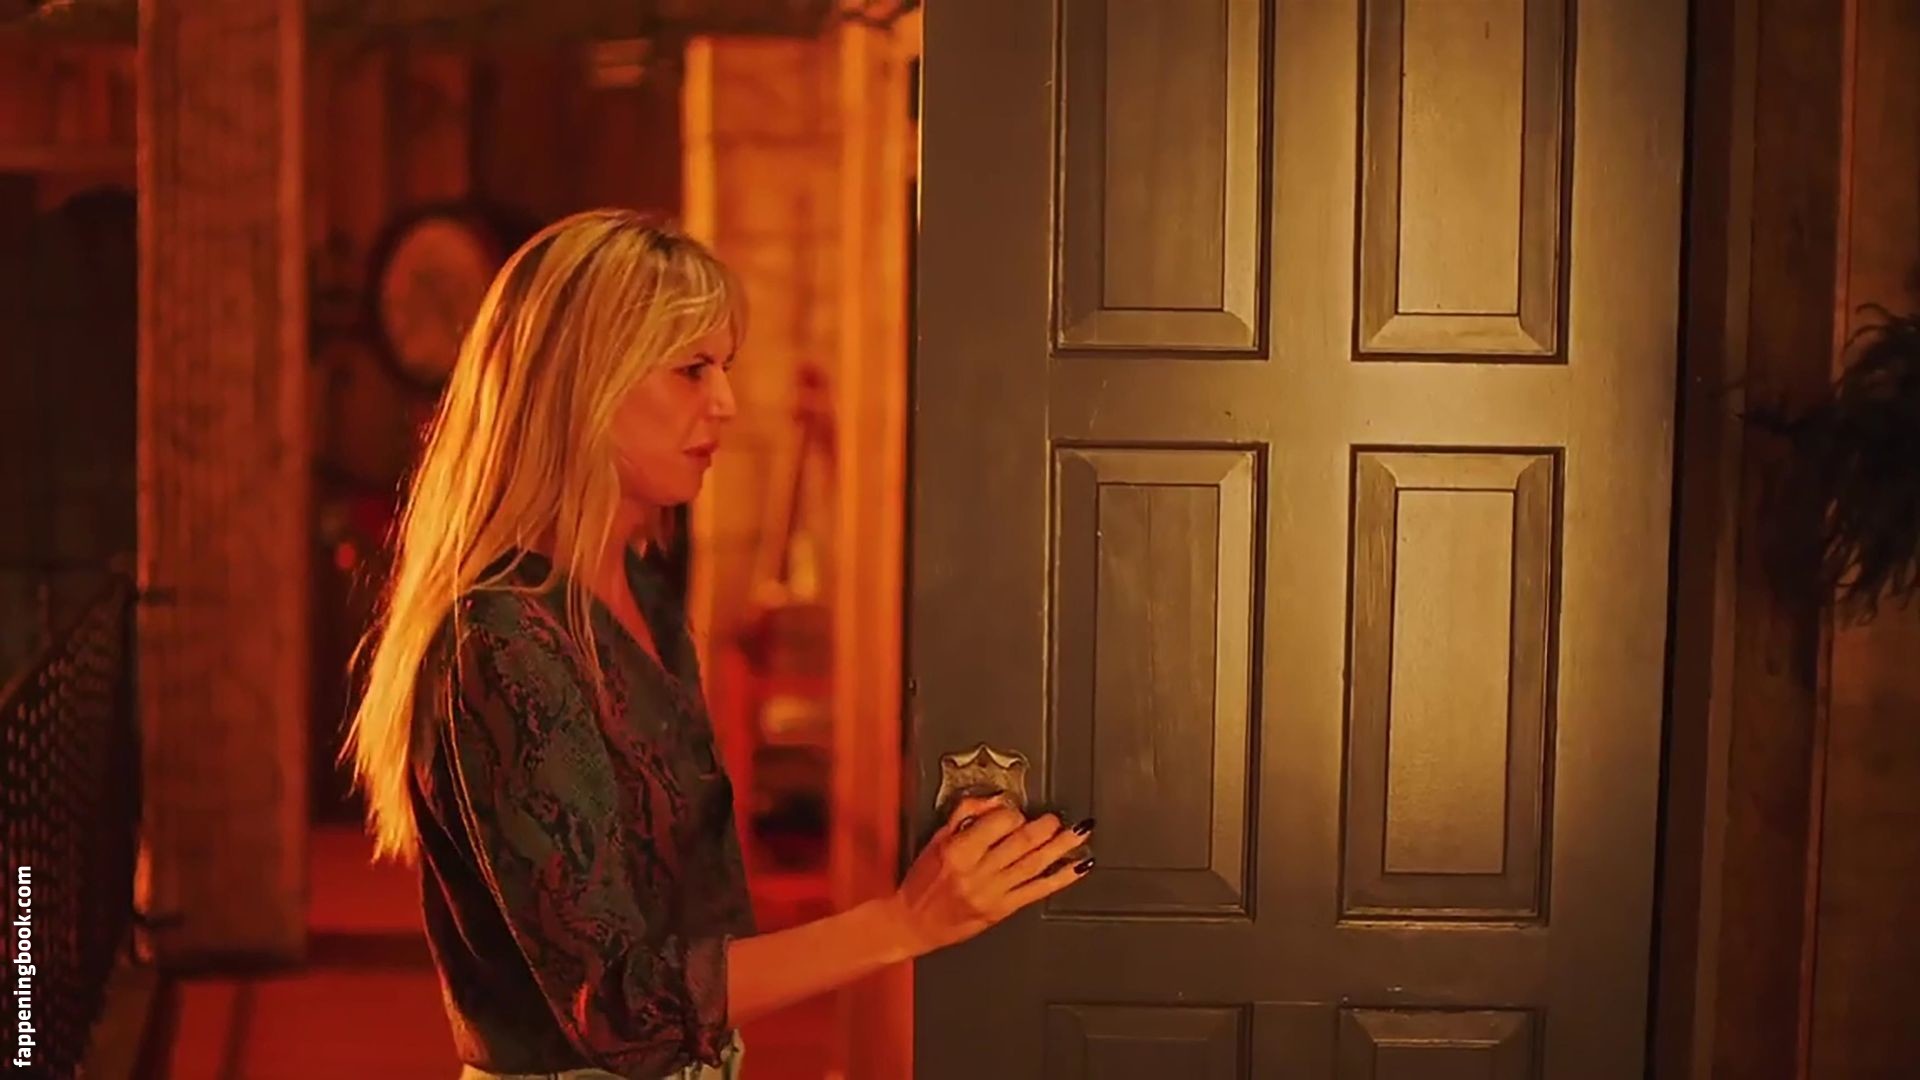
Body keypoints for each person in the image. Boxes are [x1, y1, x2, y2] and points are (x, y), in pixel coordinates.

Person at [341, 209, 1095, 1080]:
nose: (728, 404)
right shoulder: (502, 638)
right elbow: (618, 1008)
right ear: (583, 382)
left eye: (725, 367)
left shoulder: (644, 594)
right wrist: (904, 922)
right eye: (691, 368)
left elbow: (702, 943)